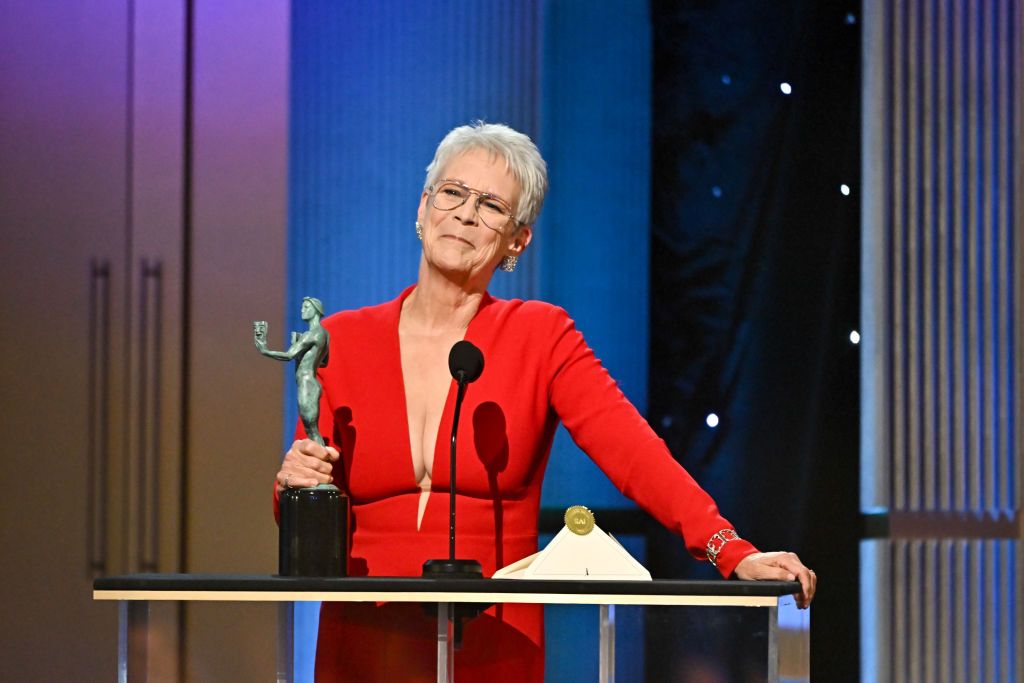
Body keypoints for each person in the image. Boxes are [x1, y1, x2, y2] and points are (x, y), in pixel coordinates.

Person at [273, 122, 816, 681]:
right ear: (423, 206)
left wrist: (730, 548)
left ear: (517, 240)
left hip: (492, 644)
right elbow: (303, 503)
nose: (464, 214)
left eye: (490, 206)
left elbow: (635, 454)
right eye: (452, 193)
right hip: (365, 646)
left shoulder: (541, 336)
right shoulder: (343, 340)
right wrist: (291, 484)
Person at [256, 297, 330, 447]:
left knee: (311, 430)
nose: (302, 310)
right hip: (310, 381)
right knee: (311, 430)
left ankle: (322, 464)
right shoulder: (324, 334)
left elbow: (288, 355)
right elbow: (324, 362)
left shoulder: (312, 334)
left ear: (316, 310)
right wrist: (302, 352)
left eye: (306, 307)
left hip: (307, 382)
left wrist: (264, 350)